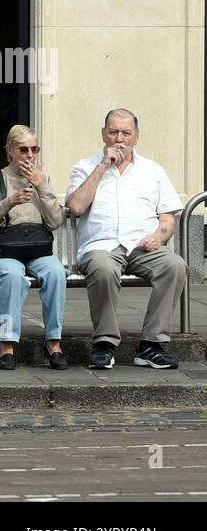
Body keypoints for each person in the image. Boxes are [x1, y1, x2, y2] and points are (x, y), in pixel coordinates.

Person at [65, 108, 186, 370]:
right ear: (103, 134)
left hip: (143, 246)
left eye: (126, 132)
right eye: (113, 132)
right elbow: (75, 207)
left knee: (175, 266)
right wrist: (101, 168)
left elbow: (167, 219)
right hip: (101, 246)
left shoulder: (153, 170)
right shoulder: (84, 167)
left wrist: (158, 236)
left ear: (136, 137)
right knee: (104, 268)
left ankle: (151, 345)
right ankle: (105, 344)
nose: (119, 139)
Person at [0, 125, 67, 370]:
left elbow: (56, 222)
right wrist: (9, 202)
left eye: (34, 149)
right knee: (12, 274)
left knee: (56, 272)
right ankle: (7, 344)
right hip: (2, 249)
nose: (29, 155)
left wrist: (43, 188)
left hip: (36, 249)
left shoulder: (42, 180)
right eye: (23, 149)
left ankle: (54, 342)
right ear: (10, 151)